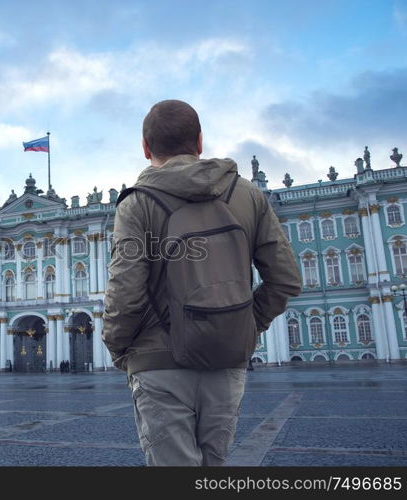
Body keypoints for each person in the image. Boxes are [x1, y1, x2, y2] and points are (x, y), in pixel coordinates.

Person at [103, 100, 301, 466]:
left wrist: (118, 347)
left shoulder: (136, 204)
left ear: (146, 148)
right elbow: (286, 279)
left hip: (157, 360)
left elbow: (125, 291)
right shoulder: (247, 194)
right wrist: (242, 326)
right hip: (225, 358)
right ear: (199, 141)